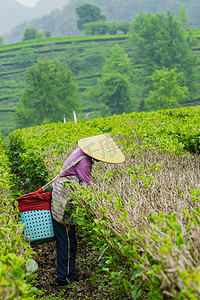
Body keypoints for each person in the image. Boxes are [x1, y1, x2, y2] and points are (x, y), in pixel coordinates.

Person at [50, 134, 125, 288]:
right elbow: (88, 186)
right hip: (62, 202)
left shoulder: (80, 153)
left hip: (62, 198)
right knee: (67, 242)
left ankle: (68, 276)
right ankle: (64, 280)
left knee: (70, 240)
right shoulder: (84, 162)